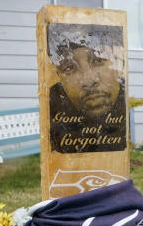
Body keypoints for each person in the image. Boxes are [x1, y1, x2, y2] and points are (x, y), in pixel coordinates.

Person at [47, 23, 127, 153]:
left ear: (119, 65)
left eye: (98, 60)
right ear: (59, 76)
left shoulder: (125, 97)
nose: (89, 80)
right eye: (69, 67)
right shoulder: (53, 103)